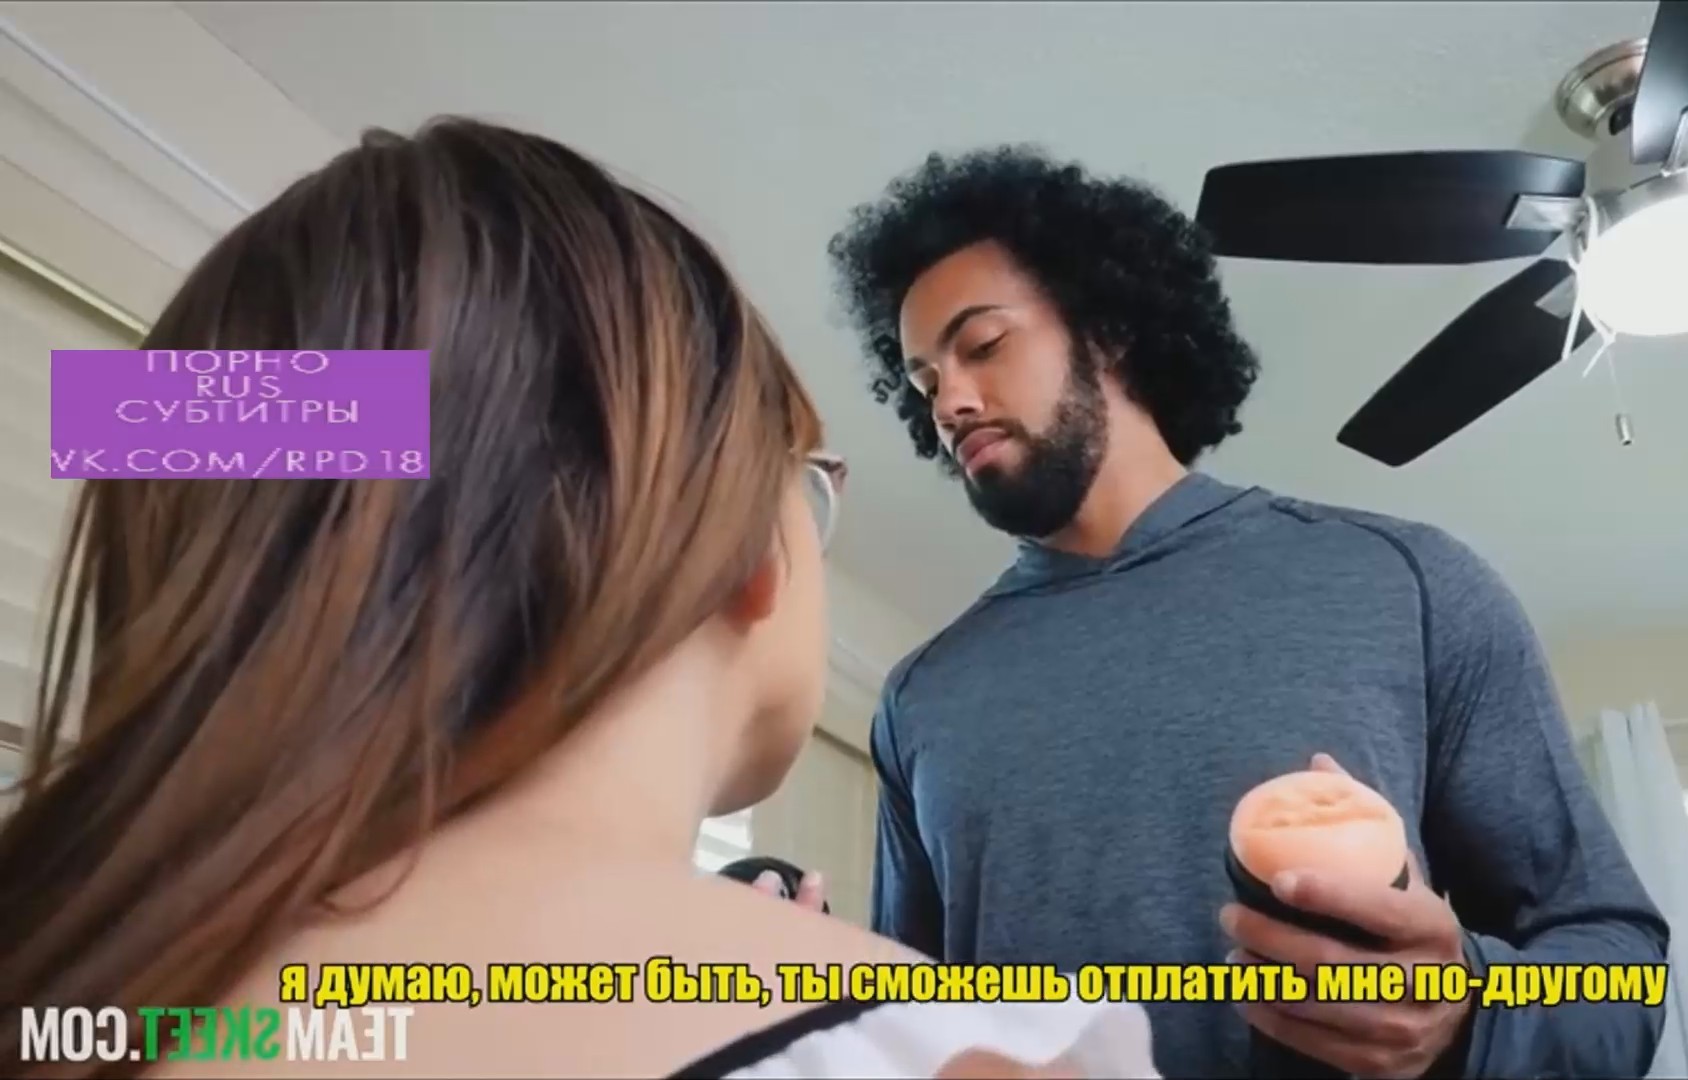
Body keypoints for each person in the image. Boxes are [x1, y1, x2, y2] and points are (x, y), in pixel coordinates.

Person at [0, 120, 1159, 1080]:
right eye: (810, 486)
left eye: (981, 346)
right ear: (745, 550)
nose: (948, 403)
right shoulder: (970, 1052)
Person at [827, 145, 1673, 1079]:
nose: (949, 401)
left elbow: (1620, 973)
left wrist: (1467, 1011)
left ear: (1110, 329)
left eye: (982, 345)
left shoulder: (1411, 585)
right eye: (923, 382)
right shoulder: (921, 699)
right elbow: (905, 1026)